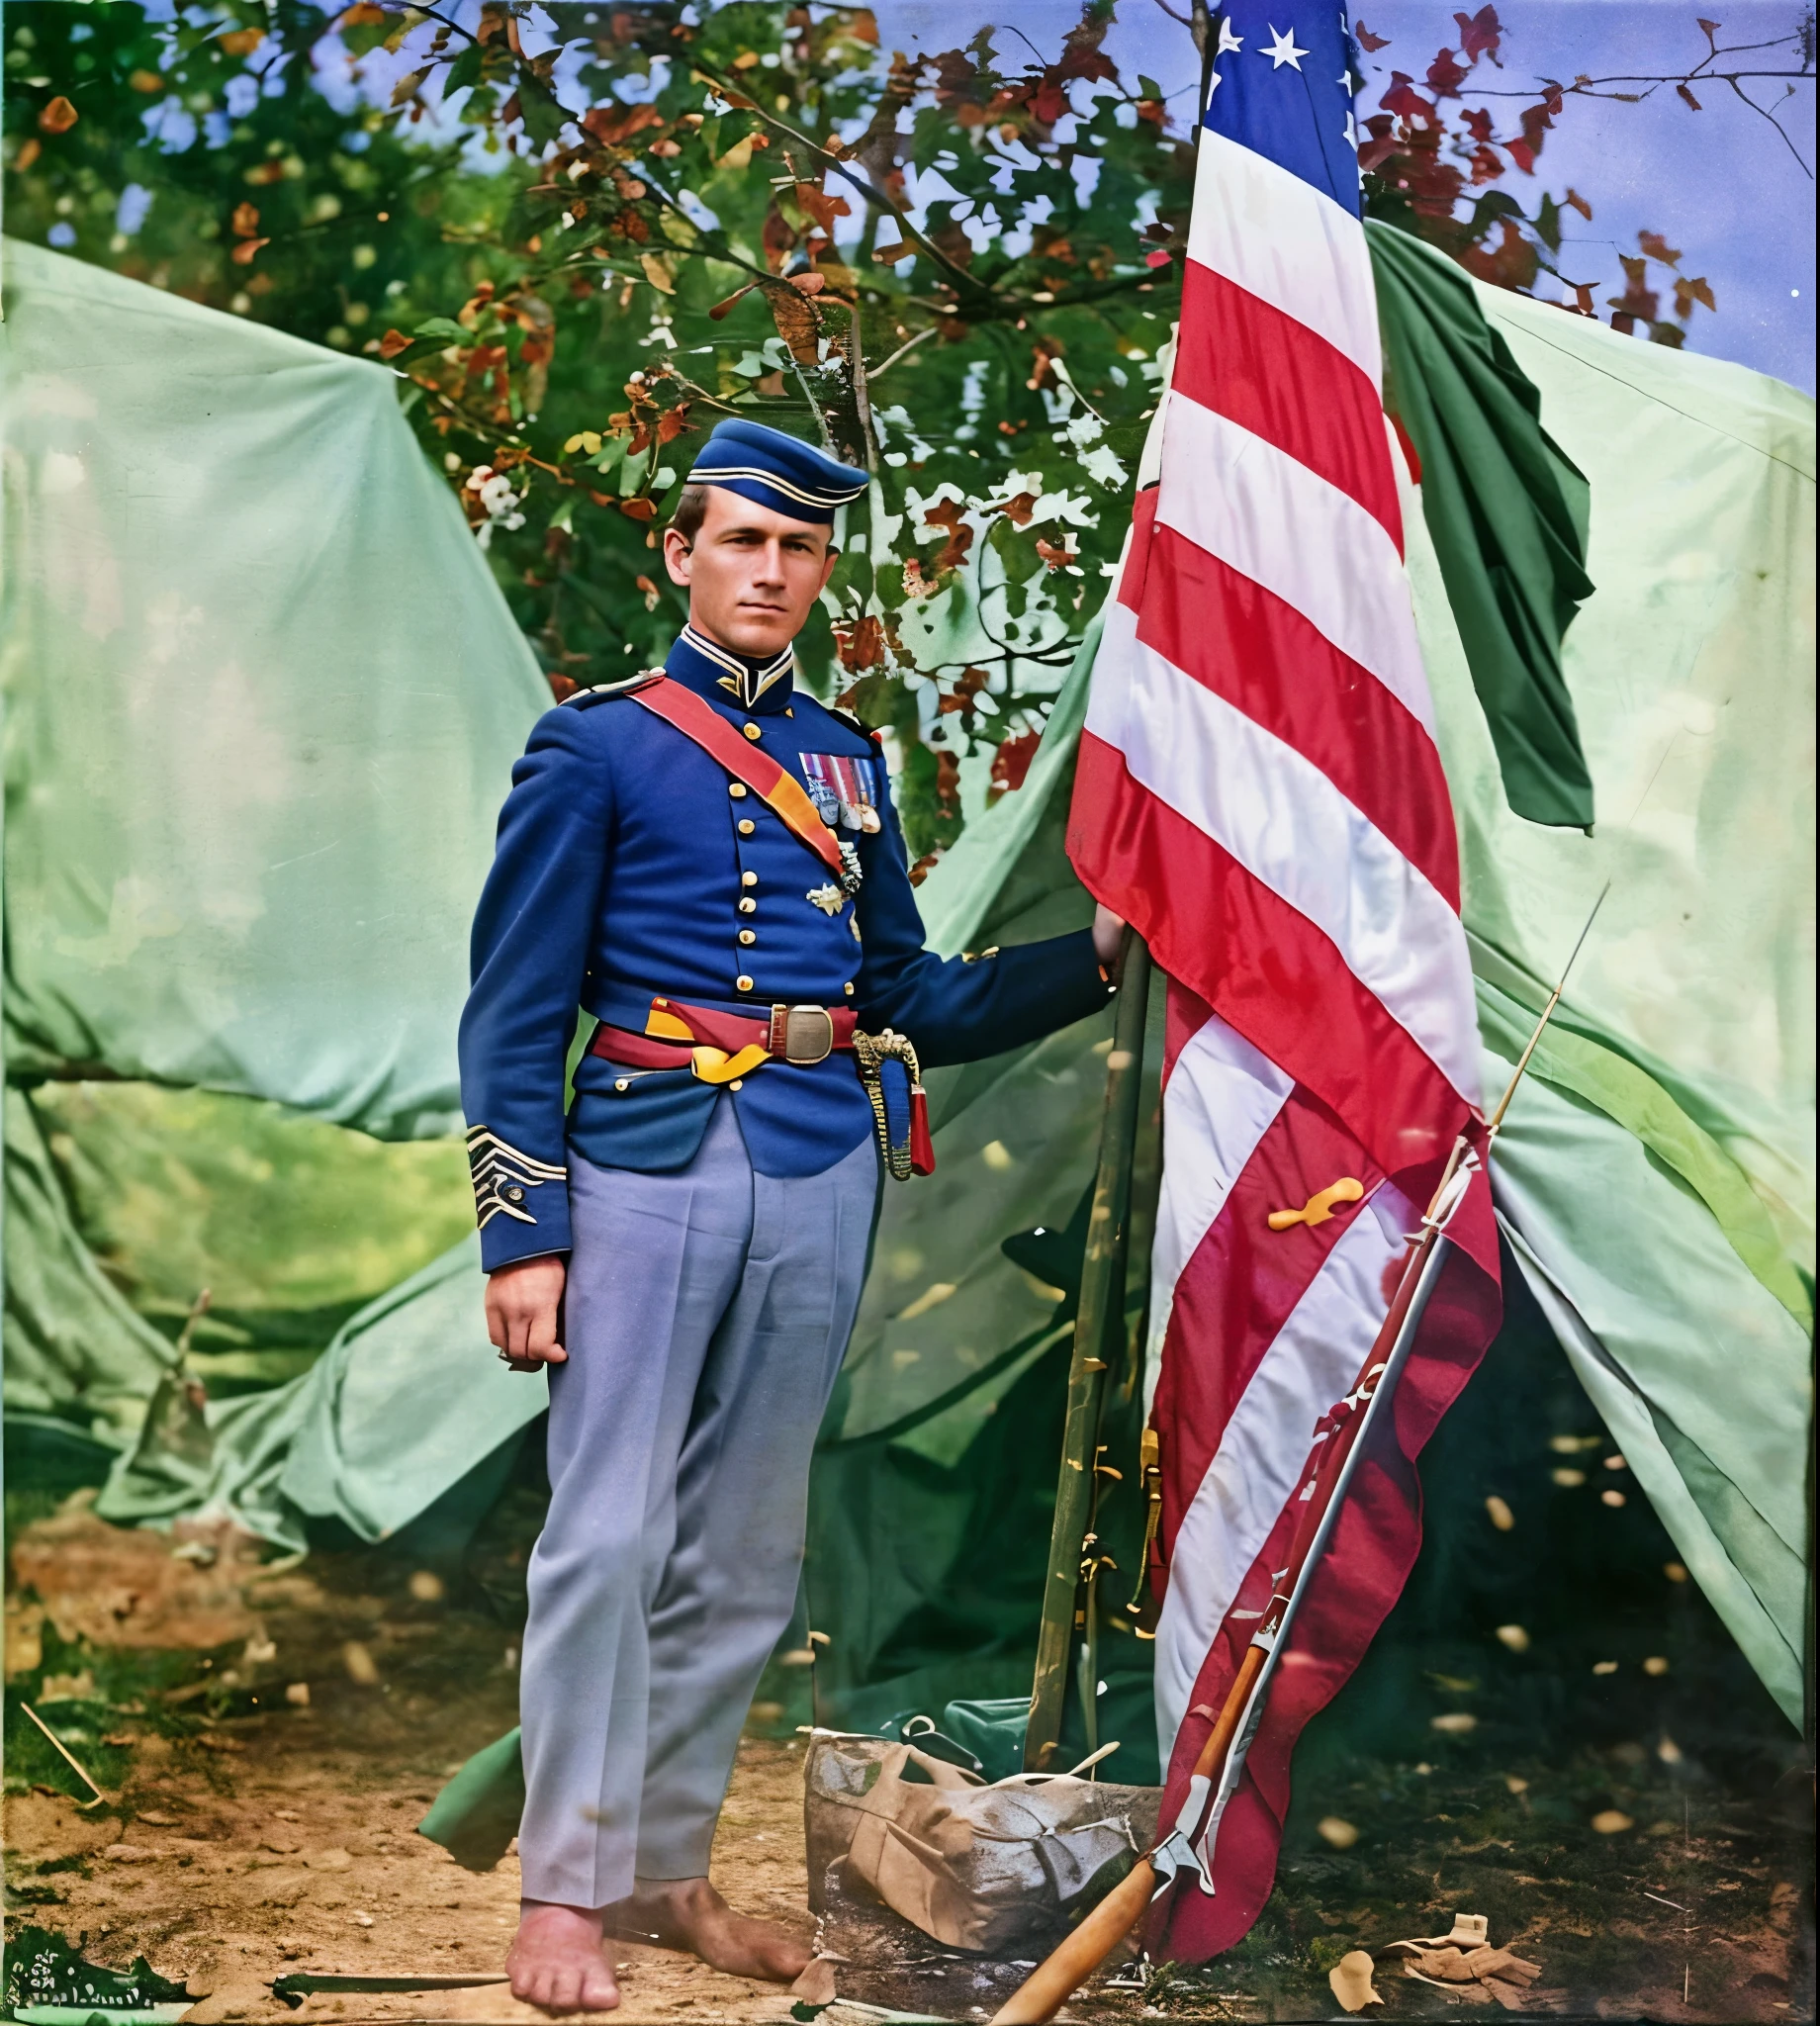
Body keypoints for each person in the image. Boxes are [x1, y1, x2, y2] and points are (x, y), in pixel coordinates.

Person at [459, 416, 1128, 2013]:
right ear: (680, 555)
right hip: (638, 1163)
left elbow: (905, 990)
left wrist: (1093, 954)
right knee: (606, 1537)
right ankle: (562, 1890)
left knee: (751, 1553)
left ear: (821, 571)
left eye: (799, 547)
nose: (770, 570)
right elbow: (508, 1014)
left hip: (819, 1164)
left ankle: (663, 1872)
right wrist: (522, 1235)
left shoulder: (848, 760)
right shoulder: (596, 747)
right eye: (742, 541)